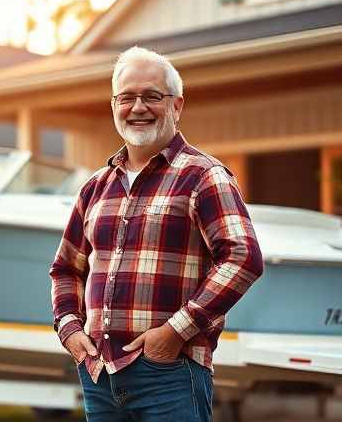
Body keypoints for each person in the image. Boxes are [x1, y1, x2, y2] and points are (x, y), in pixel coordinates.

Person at [49, 46, 264, 421]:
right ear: (114, 104)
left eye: (152, 96)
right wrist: (70, 331)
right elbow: (67, 268)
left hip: (170, 373)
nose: (138, 107)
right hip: (100, 374)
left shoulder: (203, 175)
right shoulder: (95, 187)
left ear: (177, 106)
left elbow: (243, 257)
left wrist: (174, 333)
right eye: (127, 97)